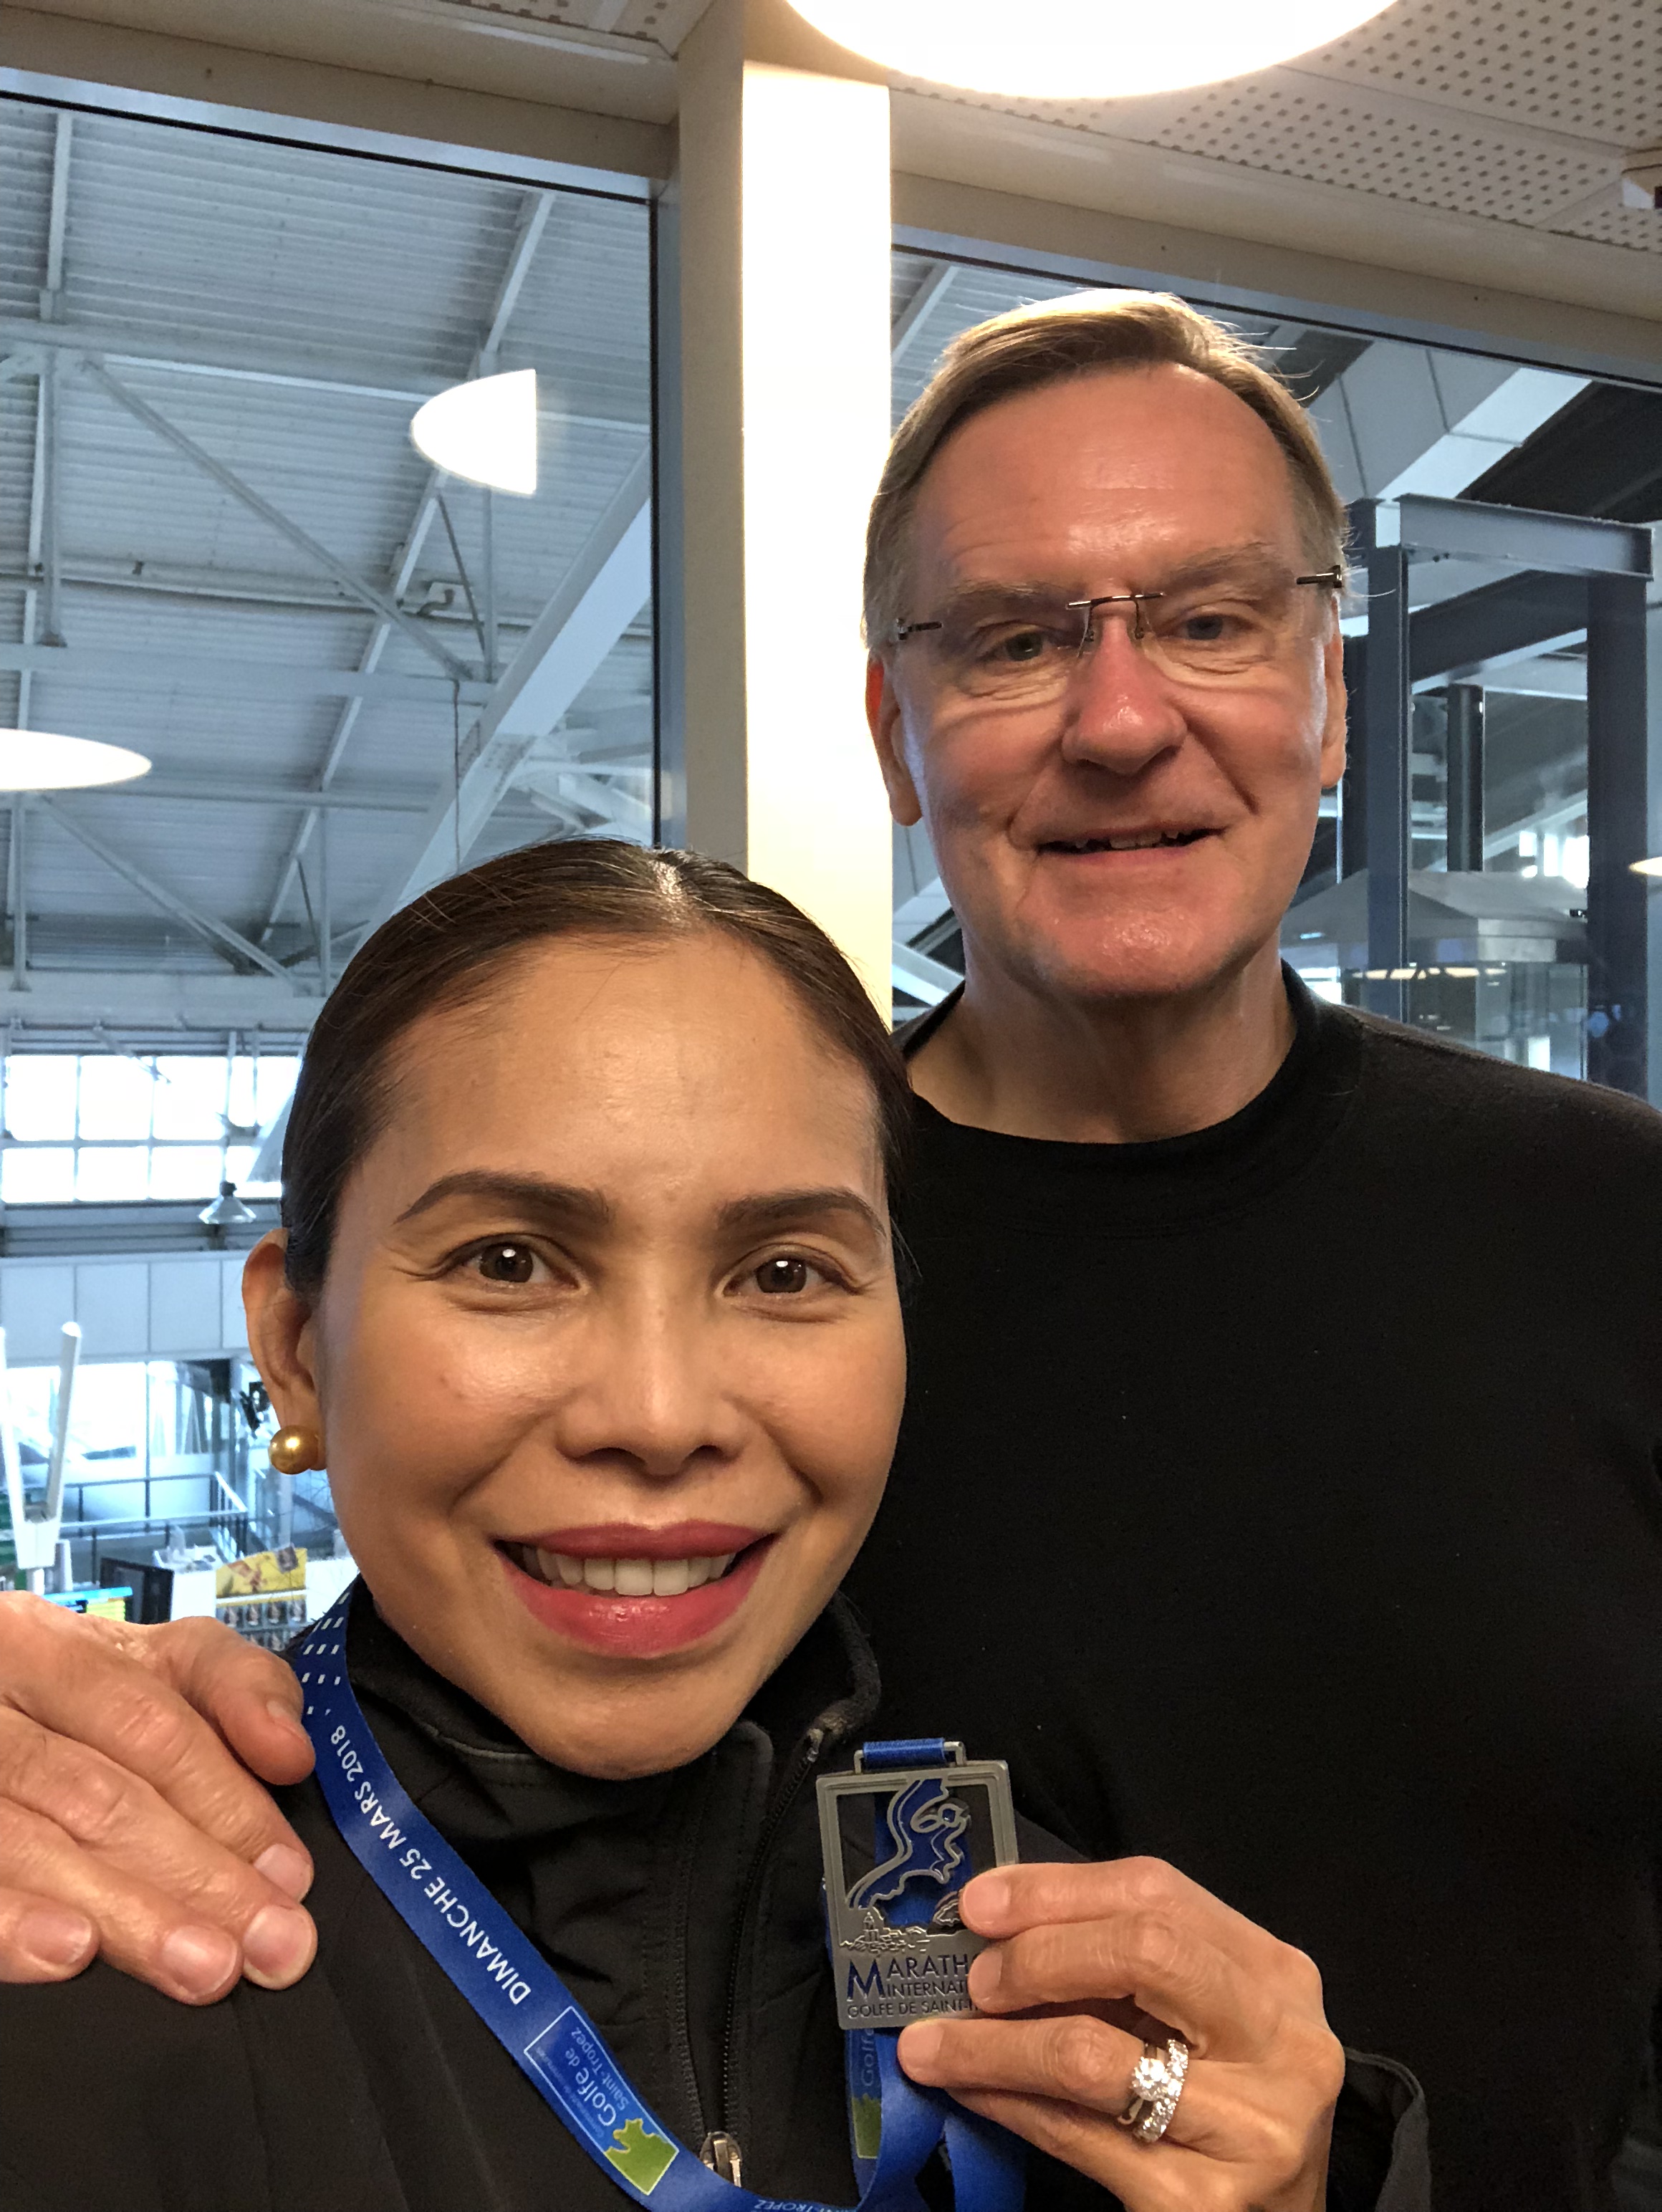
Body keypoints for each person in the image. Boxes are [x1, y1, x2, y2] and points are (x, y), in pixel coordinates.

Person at [0, 290, 1654, 2204]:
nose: (1124, 720)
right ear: (894, 731)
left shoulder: (1619, 1225)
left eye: (1211, 621)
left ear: (1332, 696)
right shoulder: (773, 1263)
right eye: (1015, 639)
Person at [0, 840, 1422, 2212]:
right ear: (297, 1349)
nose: (660, 1411)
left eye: (785, 1271)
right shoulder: (79, 1943)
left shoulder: (1077, 1988)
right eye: (511, 1260)